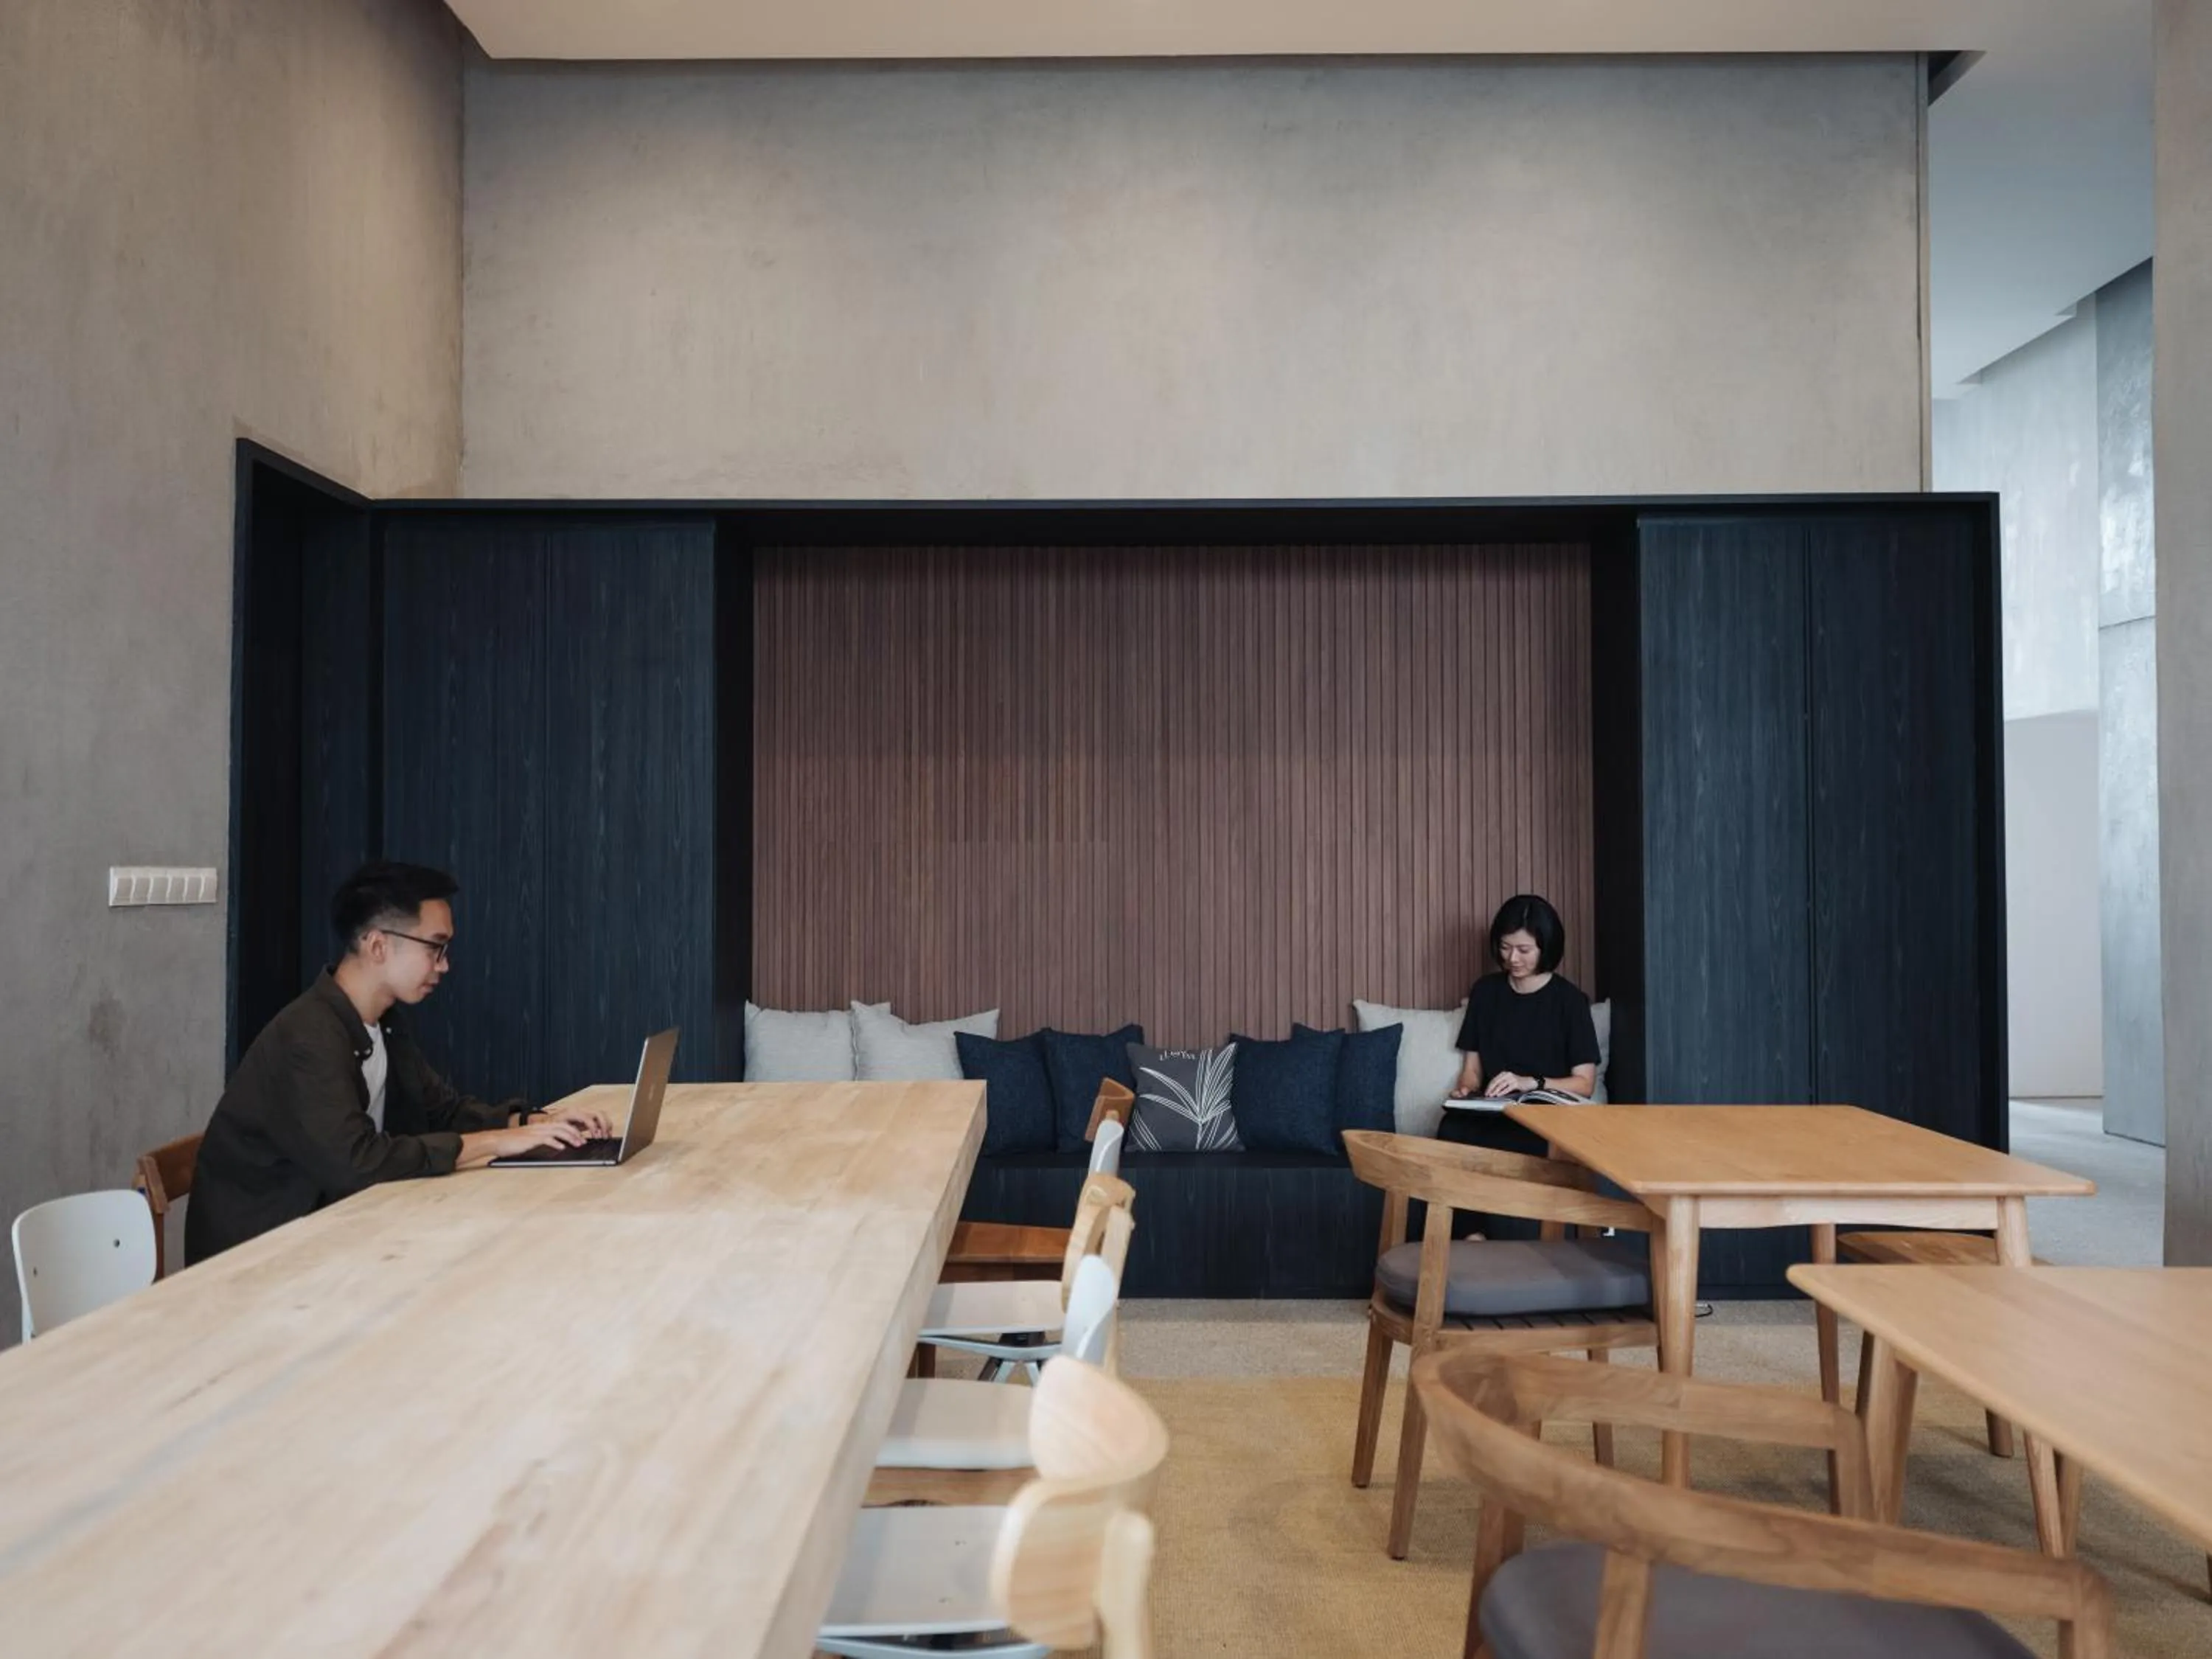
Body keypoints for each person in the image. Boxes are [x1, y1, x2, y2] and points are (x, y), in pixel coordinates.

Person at [185, 860, 610, 1263]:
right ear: (377, 945)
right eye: (435, 948)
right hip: (264, 1259)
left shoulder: (384, 1021)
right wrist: (496, 1143)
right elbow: (356, 1162)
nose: (444, 966)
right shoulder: (307, 1037)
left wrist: (531, 1124)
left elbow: (442, 1111)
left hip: (337, 1232)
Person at [1450, 892, 1600, 1104]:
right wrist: (1466, 1090)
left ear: (1546, 947)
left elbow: (1585, 1084)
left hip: (1545, 1111)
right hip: (1495, 1108)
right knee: (1452, 1127)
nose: (1512, 958)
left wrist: (1531, 1083)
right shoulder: (1484, 992)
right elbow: (1472, 1069)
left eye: (1524, 950)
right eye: (1505, 947)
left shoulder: (1571, 1001)